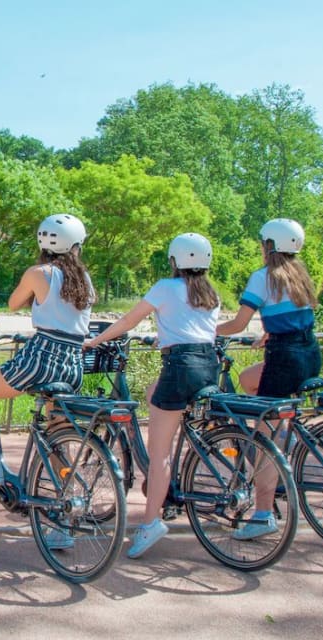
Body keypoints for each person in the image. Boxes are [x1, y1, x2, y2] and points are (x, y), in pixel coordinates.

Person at [85, 233, 220, 558]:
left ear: (174, 260)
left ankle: (150, 523)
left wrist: (95, 341)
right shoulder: (211, 293)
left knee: (160, 454)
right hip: (208, 364)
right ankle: (170, 483)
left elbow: (128, 320)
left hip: (179, 366)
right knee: (152, 393)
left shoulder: (165, 287)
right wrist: (167, 336)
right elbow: (195, 329)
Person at [0, 214, 95, 487]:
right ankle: (69, 496)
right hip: (73, 365)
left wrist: (36, 294)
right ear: (75, 247)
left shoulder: (38, 273)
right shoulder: (85, 279)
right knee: (57, 435)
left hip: (40, 360)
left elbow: (12, 303)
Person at [217, 217, 321, 540]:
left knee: (264, 440)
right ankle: (282, 438)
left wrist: (207, 331)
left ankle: (263, 515)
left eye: (264, 243)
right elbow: (293, 316)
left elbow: (237, 324)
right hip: (309, 354)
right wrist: (270, 332)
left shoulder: (263, 277)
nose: (262, 248)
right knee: (249, 380)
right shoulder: (300, 275)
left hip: (284, 360)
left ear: (270, 246)